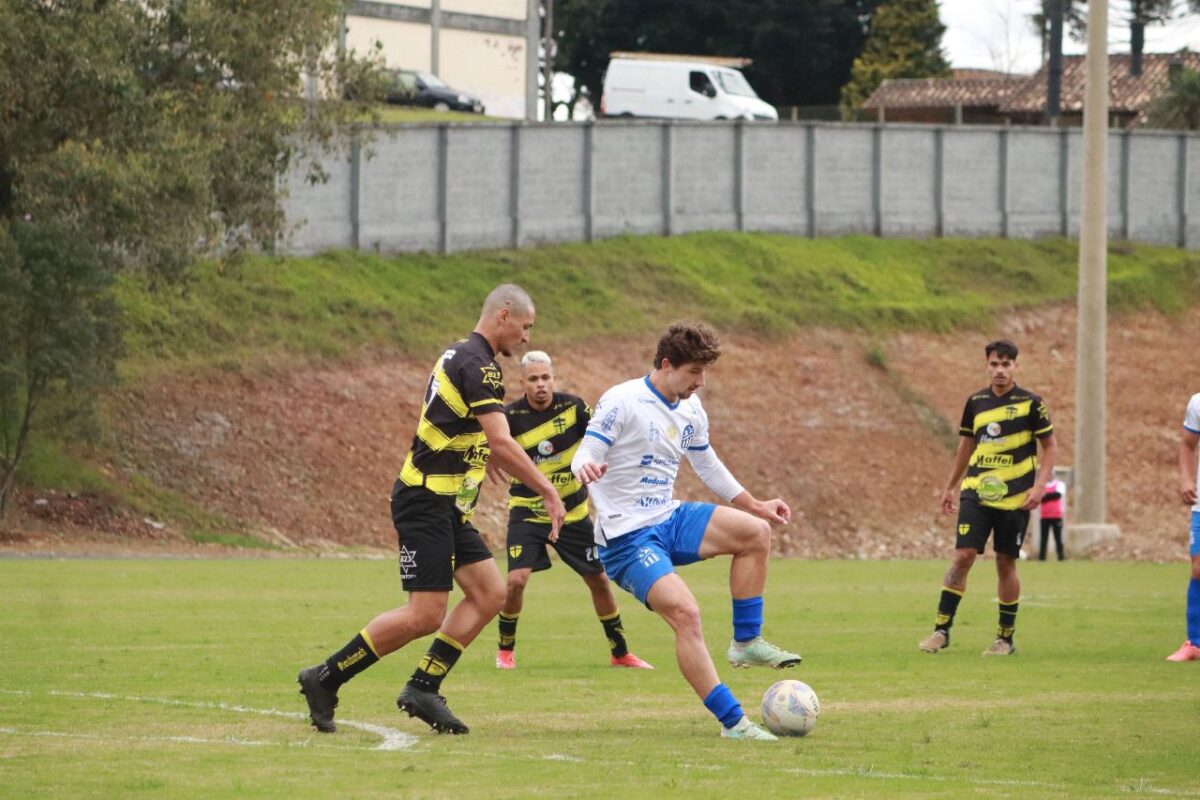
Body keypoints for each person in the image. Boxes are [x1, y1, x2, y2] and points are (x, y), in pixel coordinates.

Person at [296, 284, 566, 735]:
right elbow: (501, 439)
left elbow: (463, 424)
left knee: (490, 593)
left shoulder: (461, 354)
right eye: (525, 326)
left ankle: (423, 687)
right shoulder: (479, 366)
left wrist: (485, 449)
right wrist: (548, 492)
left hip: (445, 505)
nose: (526, 337)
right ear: (504, 315)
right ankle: (325, 677)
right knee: (425, 615)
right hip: (424, 500)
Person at [571, 322, 800, 741]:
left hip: (668, 517)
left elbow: (707, 464)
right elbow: (588, 450)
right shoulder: (623, 400)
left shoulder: (691, 410)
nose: (701, 381)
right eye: (694, 371)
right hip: (626, 538)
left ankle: (746, 641)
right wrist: (583, 467)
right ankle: (734, 723)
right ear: (666, 364)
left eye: (704, 371)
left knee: (755, 533)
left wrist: (756, 505)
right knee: (687, 614)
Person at [491, 350, 652, 670]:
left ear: (553, 378)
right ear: (522, 383)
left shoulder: (574, 408)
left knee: (599, 580)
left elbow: (601, 440)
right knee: (516, 581)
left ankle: (620, 653)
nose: (540, 384)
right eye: (533, 379)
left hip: (573, 513)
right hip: (528, 511)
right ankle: (505, 651)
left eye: (545, 377)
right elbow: (491, 441)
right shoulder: (510, 416)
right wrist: (488, 453)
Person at [919, 339, 1056, 657]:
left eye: (1006, 364)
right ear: (987, 365)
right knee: (963, 556)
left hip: (1016, 497)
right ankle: (941, 630)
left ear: (1016, 366)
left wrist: (1039, 487)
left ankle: (1005, 638)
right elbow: (966, 445)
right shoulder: (976, 402)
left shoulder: (1031, 403)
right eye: (994, 364)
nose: (1000, 370)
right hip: (976, 492)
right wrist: (951, 486)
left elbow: (1050, 446)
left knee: (1005, 562)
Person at [1166, 391, 1200, 661]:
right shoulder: (1198, 402)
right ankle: (1195, 643)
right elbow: (1188, 444)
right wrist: (1187, 479)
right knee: (1198, 567)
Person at [1038, 475, 1066, 561]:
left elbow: (1057, 495)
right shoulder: (1042, 486)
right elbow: (1039, 498)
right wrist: (1047, 496)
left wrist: (1045, 496)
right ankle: (1041, 558)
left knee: (1058, 537)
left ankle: (1061, 557)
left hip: (1056, 515)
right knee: (1043, 538)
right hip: (1044, 516)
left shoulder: (1059, 484)